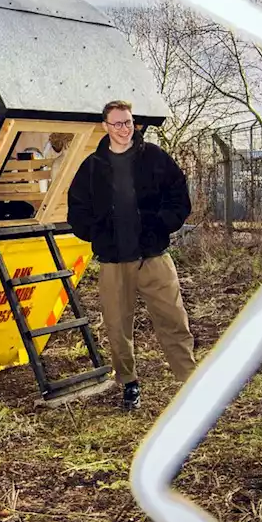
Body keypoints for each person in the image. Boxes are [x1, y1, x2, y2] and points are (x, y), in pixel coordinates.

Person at [66, 100, 196, 410]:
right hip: (114, 262)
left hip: (153, 256)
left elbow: (179, 195)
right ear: (105, 127)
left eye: (128, 122)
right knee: (116, 325)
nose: (124, 129)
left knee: (173, 318)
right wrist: (99, 234)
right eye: (117, 124)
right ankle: (129, 383)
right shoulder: (92, 167)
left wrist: (162, 222)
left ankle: (189, 379)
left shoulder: (154, 158)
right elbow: (77, 210)